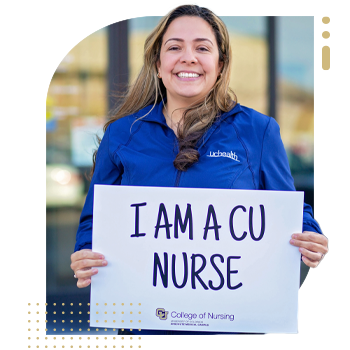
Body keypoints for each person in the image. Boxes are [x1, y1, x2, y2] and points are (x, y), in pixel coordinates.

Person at [70, 2, 329, 336]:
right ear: (158, 64)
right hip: (144, 326)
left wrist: (310, 235)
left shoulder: (257, 131)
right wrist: (84, 253)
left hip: (231, 328)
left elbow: (287, 211)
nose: (188, 57)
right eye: (174, 47)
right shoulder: (122, 133)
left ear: (220, 65)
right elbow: (95, 219)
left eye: (202, 48)